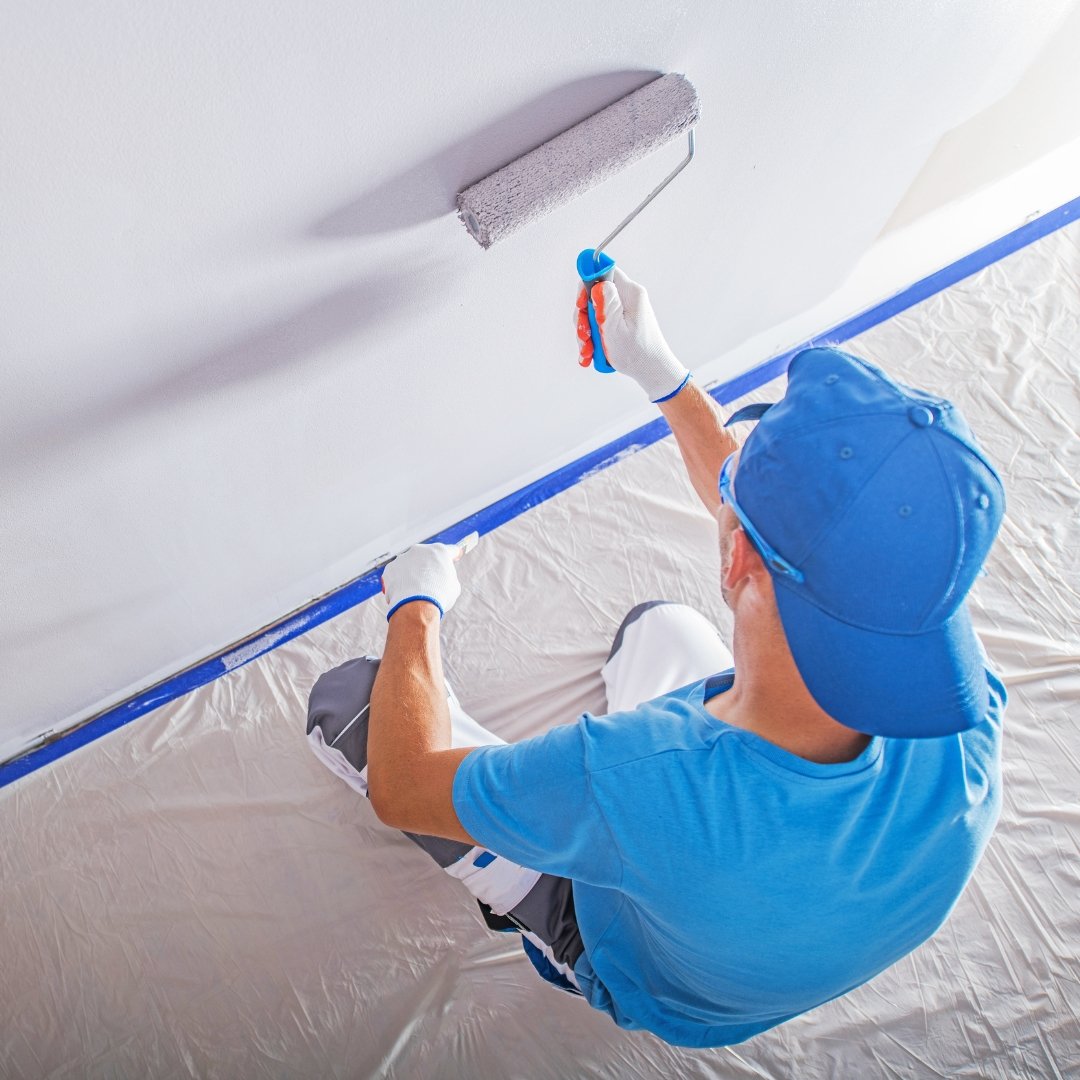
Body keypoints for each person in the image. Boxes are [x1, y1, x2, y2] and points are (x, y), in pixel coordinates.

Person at [306, 267, 1007, 1047]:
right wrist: (662, 375)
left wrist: (417, 602)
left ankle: (546, 924)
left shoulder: (639, 775)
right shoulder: (945, 678)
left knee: (351, 703)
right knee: (658, 631)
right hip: (766, 938)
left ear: (735, 556)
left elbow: (403, 790)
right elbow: (771, 527)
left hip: (651, 976)